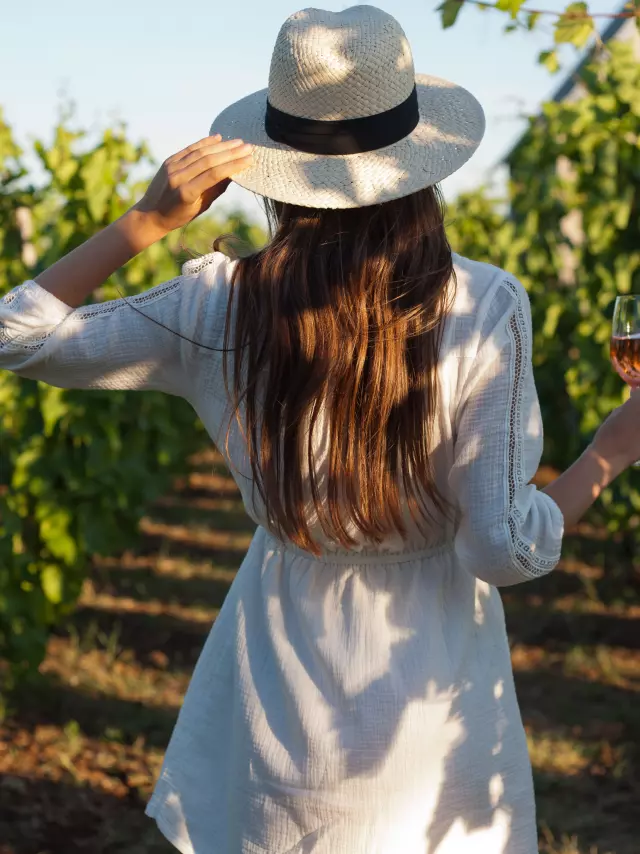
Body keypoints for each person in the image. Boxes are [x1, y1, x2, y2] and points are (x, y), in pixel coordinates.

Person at [1, 6, 638, 854]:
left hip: (278, 680)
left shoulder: (215, 304)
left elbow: (19, 335)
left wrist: (145, 222)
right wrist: (608, 452)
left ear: (271, 164)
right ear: (421, 163)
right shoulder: (486, 308)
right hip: (431, 690)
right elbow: (502, 549)